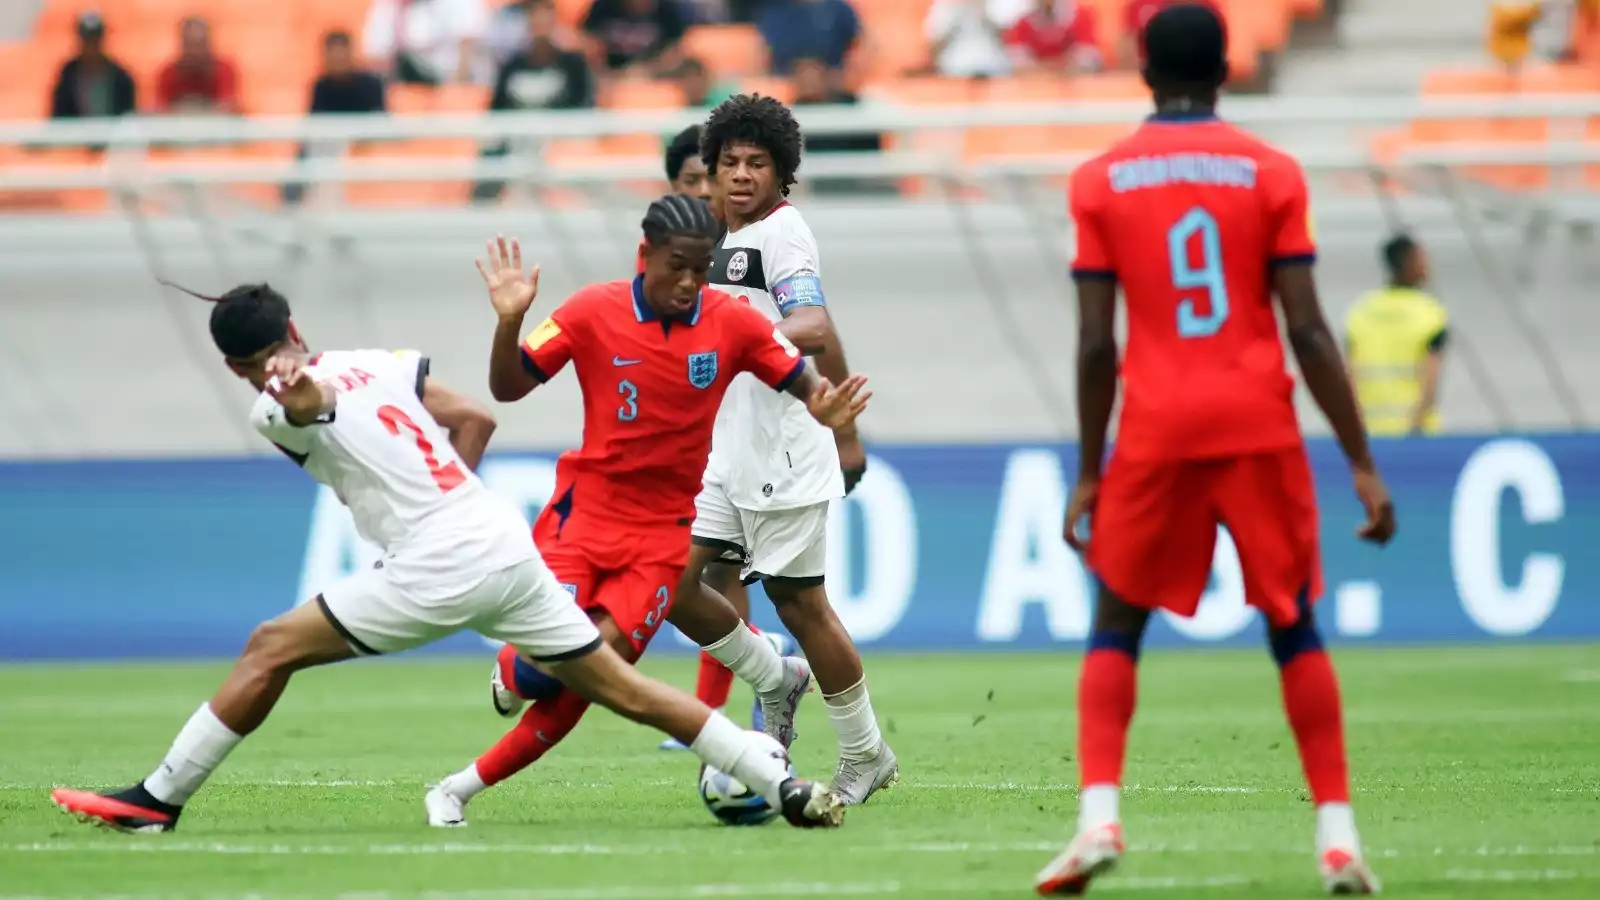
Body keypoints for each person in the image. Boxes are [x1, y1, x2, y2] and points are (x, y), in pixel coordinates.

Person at [49, 277, 845, 834]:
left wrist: (298, 397)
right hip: (499, 538)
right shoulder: (376, 361)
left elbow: (311, 405)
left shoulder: (273, 406)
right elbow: (474, 417)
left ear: (234, 367)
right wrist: (443, 505)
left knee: (269, 648)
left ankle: (159, 799)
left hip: (440, 565)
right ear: (295, 329)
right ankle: (784, 784)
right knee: (623, 688)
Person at [1038, 4, 1395, 895]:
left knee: (1117, 619)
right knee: (1293, 621)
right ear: (1227, 70)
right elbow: (1307, 330)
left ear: (1144, 73)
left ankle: (1098, 819)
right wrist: (1359, 459)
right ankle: (1339, 837)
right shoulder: (1272, 173)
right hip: (1256, 421)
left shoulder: (1099, 181)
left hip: (1157, 427)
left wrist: (1089, 471)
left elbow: (1096, 345)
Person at [422, 197, 870, 826]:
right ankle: (513, 673)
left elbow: (802, 380)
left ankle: (455, 790)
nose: (688, 283)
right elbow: (508, 386)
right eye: (676, 266)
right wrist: (509, 322)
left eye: (701, 269)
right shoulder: (591, 310)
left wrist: (825, 408)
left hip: (661, 542)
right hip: (579, 525)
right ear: (645, 255)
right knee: (540, 672)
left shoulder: (732, 324)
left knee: (589, 673)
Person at [678, 94, 893, 804]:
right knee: (669, 584)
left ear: (782, 172)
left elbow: (811, 322)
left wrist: (735, 337)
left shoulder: (782, 233)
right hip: (726, 451)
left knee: (800, 605)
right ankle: (775, 675)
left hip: (783, 453)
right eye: (729, 162)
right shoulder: (716, 237)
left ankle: (865, 753)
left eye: (757, 163)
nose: (741, 175)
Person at [1344, 235, 1449, 436]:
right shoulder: (1431, 314)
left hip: (1369, 431)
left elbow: (1348, 376)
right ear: (1408, 262)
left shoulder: (1361, 310)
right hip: (1416, 434)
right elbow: (1431, 382)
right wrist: (1414, 430)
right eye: (1422, 259)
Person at [284, 31, 389, 206]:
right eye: (333, 53)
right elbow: (314, 123)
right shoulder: (321, 86)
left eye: (341, 52)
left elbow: (382, 120)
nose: (338, 58)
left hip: (362, 144)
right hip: (331, 147)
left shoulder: (371, 83)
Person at [362, 0, 490, 86]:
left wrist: (455, 91)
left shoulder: (460, 3)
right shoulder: (388, 6)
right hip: (409, 88)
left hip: (456, 85)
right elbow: (377, 56)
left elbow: (468, 44)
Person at [50, 11, 137, 121]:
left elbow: (128, 116)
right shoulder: (67, 76)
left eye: (95, 39)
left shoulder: (121, 78)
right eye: (87, 39)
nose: (91, 46)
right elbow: (59, 116)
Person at [581, 0, 689, 77]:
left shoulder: (668, 11)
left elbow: (677, 51)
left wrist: (645, 71)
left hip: (654, 78)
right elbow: (587, 40)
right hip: (606, 77)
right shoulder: (603, 6)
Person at [154, 17, 239, 115]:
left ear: (208, 44)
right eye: (190, 45)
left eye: (199, 45)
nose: (195, 52)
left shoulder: (223, 70)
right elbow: (161, 110)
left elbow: (227, 107)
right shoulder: (168, 73)